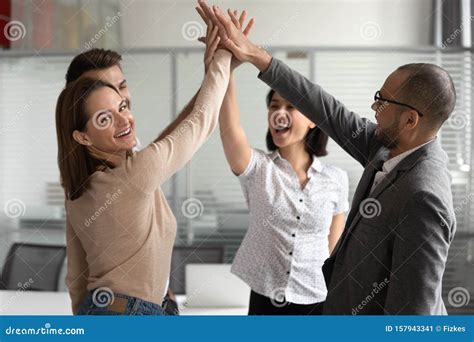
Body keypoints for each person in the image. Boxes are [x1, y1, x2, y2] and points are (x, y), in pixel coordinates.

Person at [204, 1, 457, 314]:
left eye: (382, 102)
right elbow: (328, 110)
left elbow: (414, 314)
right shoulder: (387, 147)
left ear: (410, 120)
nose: (373, 109)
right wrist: (256, 56)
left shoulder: (424, 197)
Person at [57, 27, 232, 315]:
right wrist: (224, 56)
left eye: (121, 101)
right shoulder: (135, 174)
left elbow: (77, 275)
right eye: (104, 116)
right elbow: (201, 124)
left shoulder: (80, 185)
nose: (124, 118)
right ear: (83, 135)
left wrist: (214, 75)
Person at [196, 5, 348, 315]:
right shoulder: (258, 170)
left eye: (291, 107)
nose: (279, 113)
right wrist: (223, 65)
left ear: (313, 120)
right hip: (265, 300)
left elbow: (334, 249)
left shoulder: (336, 179)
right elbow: (230, 128)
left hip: (318, 302)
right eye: (274, 105)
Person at [65, 48, 181, 314]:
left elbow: (165, 147)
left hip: (152, 304)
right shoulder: (101, 173)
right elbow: (196, 127)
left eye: (122, 86)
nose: (119, 96)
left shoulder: (119, 152)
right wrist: (221, 65)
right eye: (103, 88)